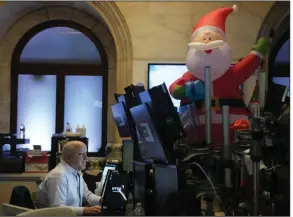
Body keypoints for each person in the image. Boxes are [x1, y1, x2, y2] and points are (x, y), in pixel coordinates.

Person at [169, 5, 270, 144]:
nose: (207, 41)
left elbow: (248, 66)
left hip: (232, 137)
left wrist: (257, 53)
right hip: (197, 140)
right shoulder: (190, 77)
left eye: (211, 37)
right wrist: (187, 90)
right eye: (203, 38)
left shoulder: (231, 75)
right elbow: (174, 89)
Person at [36, 141, 102, 216]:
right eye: (81, 154)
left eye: (86, 154)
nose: (86, 158)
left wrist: (101, 200)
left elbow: (86, 195)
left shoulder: (76, 172)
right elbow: (57, 209)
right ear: (68, 157)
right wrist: (84, 210)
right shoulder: (58, 176)